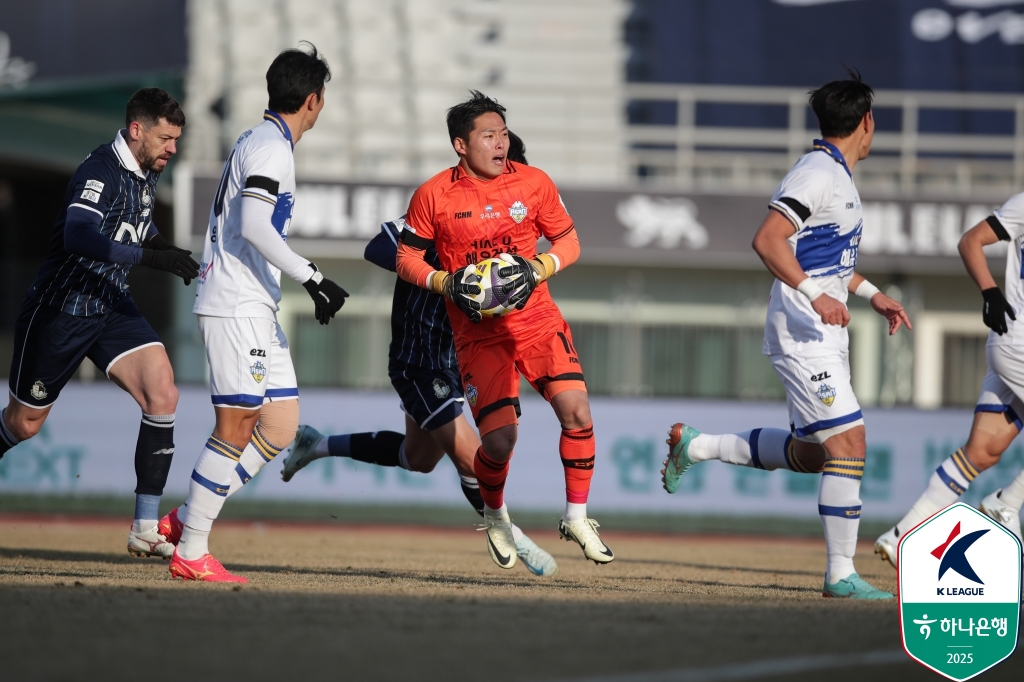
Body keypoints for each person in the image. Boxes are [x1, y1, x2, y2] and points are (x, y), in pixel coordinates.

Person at [660, 73, 911, 599]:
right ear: (867, 122)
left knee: (815, 454)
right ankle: (840, 574)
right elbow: (768, 239)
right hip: (803, 333)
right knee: (850, 444)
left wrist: (872, 294)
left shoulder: (836, 174)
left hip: (820, 330)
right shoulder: (818, 172)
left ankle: (697, 446)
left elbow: (829, 262)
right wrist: (815, 296)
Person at [281, 132, 558, 576]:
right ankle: (513, 537)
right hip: (420, 358)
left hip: (460, 357)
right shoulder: (440, 209)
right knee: (473, 456)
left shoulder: (512, 237)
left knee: (420, 459)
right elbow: (376, 246)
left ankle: (317, 444)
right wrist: (445, 273)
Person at [393, 91, 613, 570]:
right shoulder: (433, 195)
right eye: (488, 135)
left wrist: (538, 268)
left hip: (537, 319)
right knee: (499, 443)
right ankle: (495, 515)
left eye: (503, 134)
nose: (500, 143)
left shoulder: (533, 183)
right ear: (460, 144)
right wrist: (445, 282)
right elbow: (405, 257)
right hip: (479, 335)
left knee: (576, 410)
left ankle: (577, 516)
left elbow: (569, 240)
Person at [157, 44, 349, 583]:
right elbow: (256, 224)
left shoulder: (257, 139)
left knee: (281, 426)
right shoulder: (271, 148)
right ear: (313, 100)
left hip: (253, 305)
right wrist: (313, 278)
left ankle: (185, 520)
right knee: (238, 424)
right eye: (323, 98)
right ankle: (192, 549)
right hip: (237, 304)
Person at [0, 89, 196, 559]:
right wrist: (151, 258)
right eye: (166, 138)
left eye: (176, 140)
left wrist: (165, 249)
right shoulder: (98, 171)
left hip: (110, 305)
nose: (172, 148)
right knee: (24, 425)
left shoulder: (146, 172)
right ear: (136, 131)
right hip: (60, 312)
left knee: (163, 391)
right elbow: (79, 235)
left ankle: (145, 527)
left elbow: (139, 226)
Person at [874, 194, 1024, 567]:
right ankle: (1007, 504)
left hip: (1010, 342)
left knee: (983, 451)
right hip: (1019, 340)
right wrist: (989, 290)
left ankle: (900, 536)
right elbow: (970, 240)